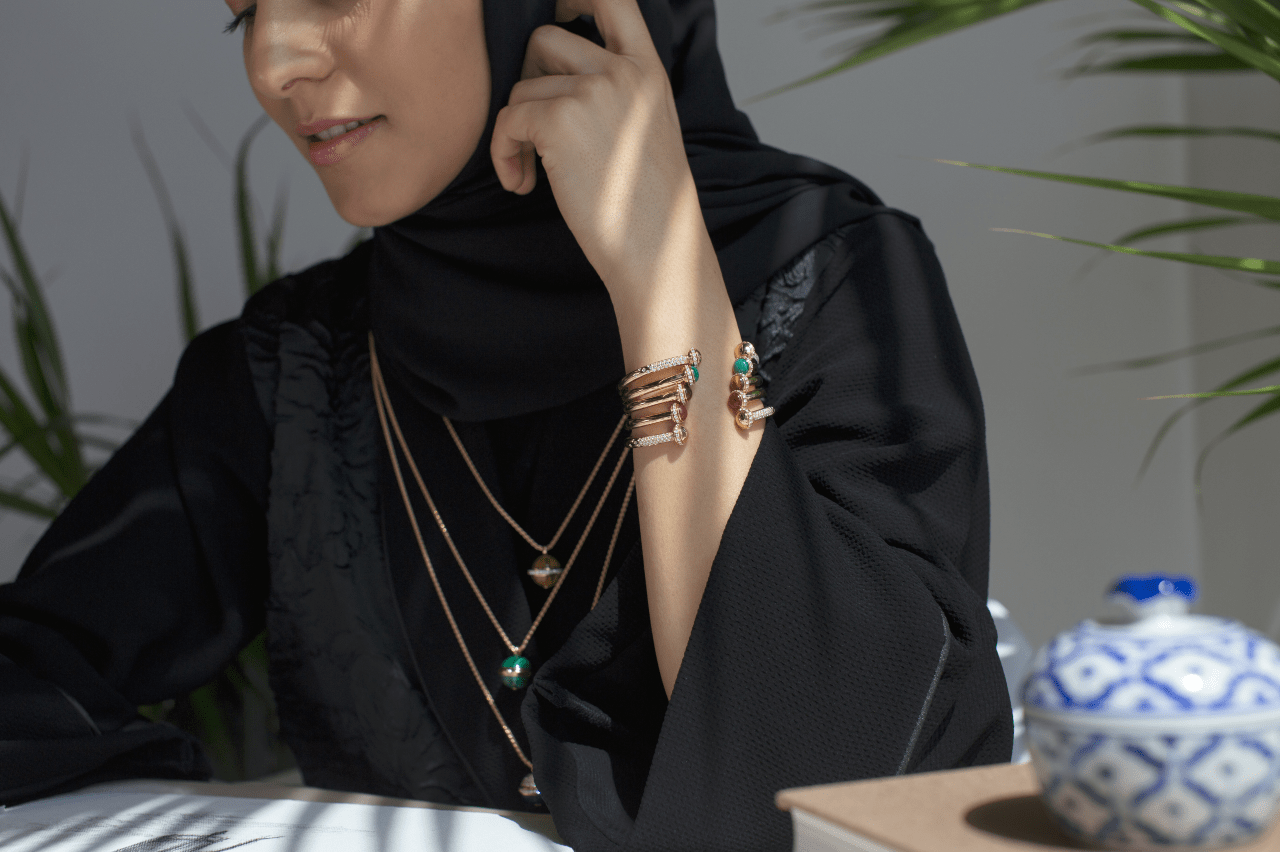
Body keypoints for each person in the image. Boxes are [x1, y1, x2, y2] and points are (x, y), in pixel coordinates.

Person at [0, 0, 1013, 848]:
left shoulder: (835, 285)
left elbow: (825, 781)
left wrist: (661, 276)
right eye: (241, 16)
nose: (275, 62)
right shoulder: (291, 369)